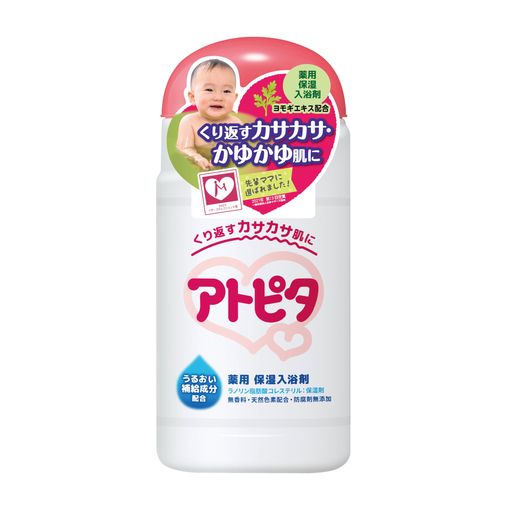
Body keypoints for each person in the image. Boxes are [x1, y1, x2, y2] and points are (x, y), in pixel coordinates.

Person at [177, 59, 242, 170]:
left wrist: (225, 156)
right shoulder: (189, 122)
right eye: (209, 89)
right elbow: (184, 149)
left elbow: (239, 150)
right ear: (193, 97)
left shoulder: (235, 123)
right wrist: (197, 158)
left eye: (226, 91)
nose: (218, 97)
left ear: (234, 98)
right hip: (197, 170)